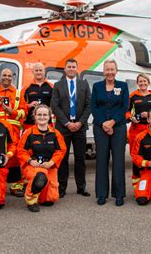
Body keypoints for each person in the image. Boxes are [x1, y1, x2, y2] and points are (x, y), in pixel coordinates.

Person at [51, 58, 91, 198]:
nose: (71, 69)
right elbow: (54, 106)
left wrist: (79, 122)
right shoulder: (57, 85)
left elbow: (88, 105)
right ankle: (62, 188)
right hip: (63, 127)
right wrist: (67, 123)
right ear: (65, 69)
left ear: (77, 68)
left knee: (80, 159)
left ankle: (81, 187)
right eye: (69, 66)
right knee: (63, 159)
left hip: (80, 127)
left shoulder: (84, 85)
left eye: (74, 66)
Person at [91, 59, 129, 206]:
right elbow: (94, 107)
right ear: (103, 71)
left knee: (118, 160)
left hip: (118, 127)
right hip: (100, 127)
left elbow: (124, 106)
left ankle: (119, 194)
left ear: (116, 71)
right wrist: (103, 123)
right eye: (107, 69)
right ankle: (101, 194)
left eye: (112, 69)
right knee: (101, 159)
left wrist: (112, 122)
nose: (110, 72)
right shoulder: (96, 86)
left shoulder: (123, 86)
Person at [17, 105, 67, 212]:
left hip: (49, 166)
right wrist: (30, 161)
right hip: (33, 167)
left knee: (50, 200)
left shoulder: (55, 133)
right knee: (40, 178)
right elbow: (21, 151)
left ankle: (39, 192)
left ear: (49, 117)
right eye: (39, 114)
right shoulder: (28, 133)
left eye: (45, 115)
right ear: (34, 116)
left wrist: (51, 162)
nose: (42, 117)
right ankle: (30, 199)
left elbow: (61, 151)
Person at [0, 68, 27, 197]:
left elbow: (24, 113)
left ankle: (15, 186)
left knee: (14, 159)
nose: (6, 78)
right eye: (4, 75)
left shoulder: (18, 93)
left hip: (14, 132)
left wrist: (11, 111)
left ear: (12, 78)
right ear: (0, 77)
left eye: (9, 76)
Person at [127, 73, 151, 189]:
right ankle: (137, 184)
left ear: (148, 82)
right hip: (136, 130)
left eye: (145, 81)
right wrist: (130, 117)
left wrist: (150, 115)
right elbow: (126, 111)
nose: (142, 83)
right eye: (140, 81)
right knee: (136, 157)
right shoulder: (133, 96)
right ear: (137, 83)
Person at [21, 62, 53, 130]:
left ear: (44, 72)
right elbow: (21, 105)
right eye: (36, 70)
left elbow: (56, 104)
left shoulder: (52, 87)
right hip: (29, 124)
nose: (38, 72)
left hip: (47, 123)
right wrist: (29, 105)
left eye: (40, 70)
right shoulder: (26, 88)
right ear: (33, 72)